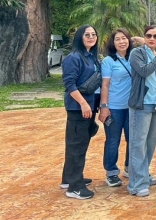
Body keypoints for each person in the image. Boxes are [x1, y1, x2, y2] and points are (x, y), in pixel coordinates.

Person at [127, 25, 156, 197]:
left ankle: (143, 174)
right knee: (138, 144)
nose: (152, 38)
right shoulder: (136, 53)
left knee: (150, 143)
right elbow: (144, 71)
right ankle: (136, 184)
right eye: (148, 35)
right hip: (142, 104)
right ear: (144, 37)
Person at [61, 25, 100, 200]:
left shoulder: (91, 57)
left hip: (88, 107)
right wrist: (83, 104)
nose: (91, 37)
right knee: (76, 146)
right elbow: (69, 84)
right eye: (87, 35)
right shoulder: (74, 58)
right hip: (79, 108)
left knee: (78, 144)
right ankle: (75, 187)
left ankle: (69, 178)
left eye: (93, 34)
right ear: (79, 37)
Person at [99, 28, 134, 188]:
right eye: (118, 39)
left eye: (124, 38)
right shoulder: (108, 61)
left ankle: (129, 167)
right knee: (113, 140)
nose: (122, 42)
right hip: (114, 107)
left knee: (132, 139)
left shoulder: (133, 57)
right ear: (112, 43)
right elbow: (105, 85)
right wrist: (104, 106)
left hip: (132, 107)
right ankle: (111, 172)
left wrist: (138, 39)